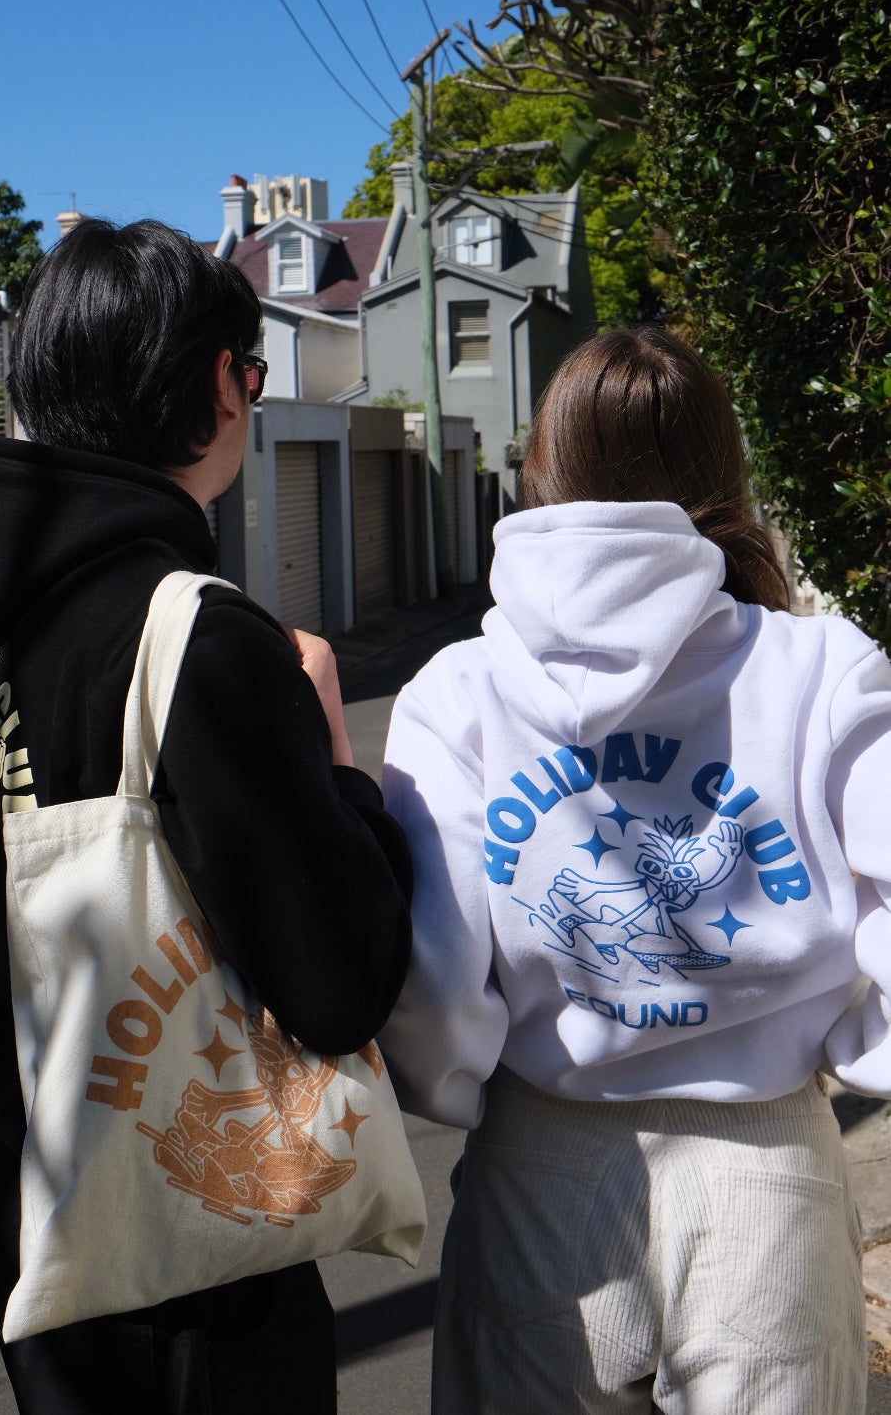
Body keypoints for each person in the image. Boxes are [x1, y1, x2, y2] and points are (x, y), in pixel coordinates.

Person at [0, 217, 413, 1415]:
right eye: (247, 371)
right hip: (179, 1242)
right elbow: (340, 978)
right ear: (209, 383)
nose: (249, 400)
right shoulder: (199, 634)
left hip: (22, 1186)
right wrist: (340, 760)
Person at [379, 325, 886, 1413]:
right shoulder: (821, 668)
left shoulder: (455, 694)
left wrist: (463, 1085)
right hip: (770, 1167)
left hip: (538, 1165)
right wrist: (856, 1042)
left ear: (540, 476)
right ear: (726, 477)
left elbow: (432, 976)